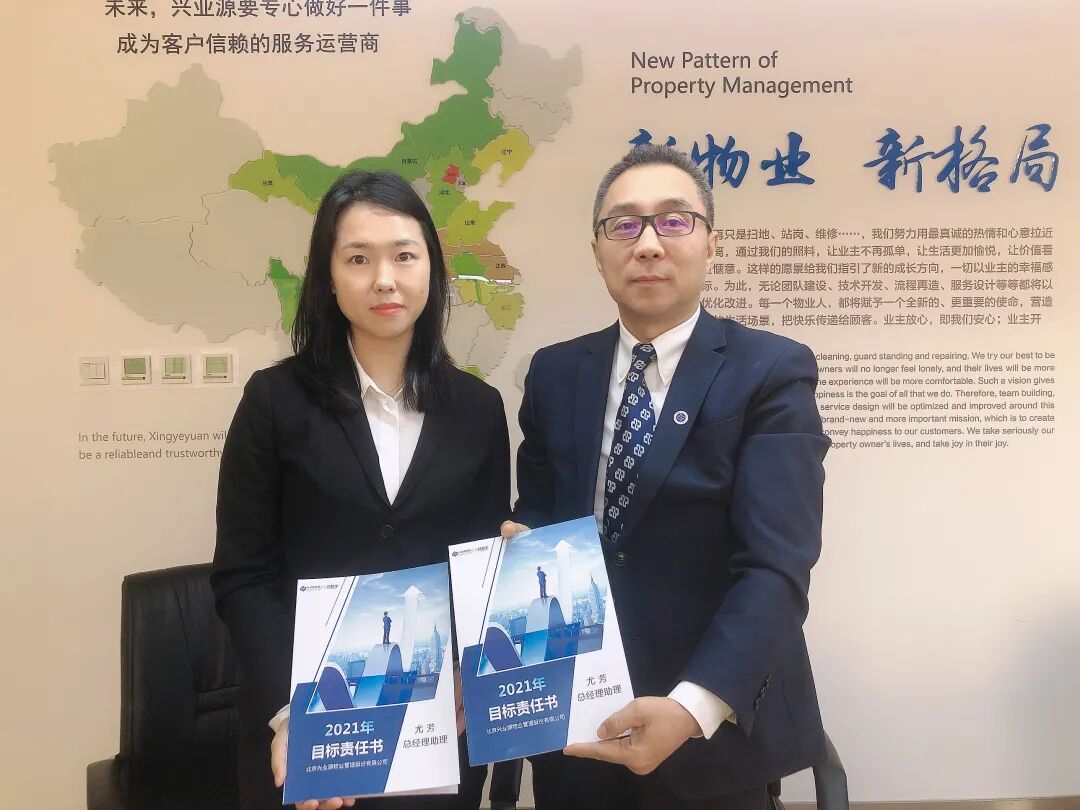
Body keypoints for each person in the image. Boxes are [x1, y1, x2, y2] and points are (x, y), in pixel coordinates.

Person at [502, 144, 830, 810]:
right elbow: (537, 509)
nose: (647, 243)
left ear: (711, 244)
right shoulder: (555, 372)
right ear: (598, 252)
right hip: (576, 722)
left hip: (711, 731)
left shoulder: (771, 371)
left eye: (674, 221)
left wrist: (690, 707)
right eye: (624, 225)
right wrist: (522, 545)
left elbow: (776, 566)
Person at [212, 170, 510, 810]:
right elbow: (243, 574)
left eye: (404, 255)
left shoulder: (479, 409)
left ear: (432, 269)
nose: (384, 279)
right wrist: (289, 712)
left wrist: (469, 669)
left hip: (438, 729)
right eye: (357, 259)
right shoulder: (274, 401)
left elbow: (480, 566)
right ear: (327, 276)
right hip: (307, 731)